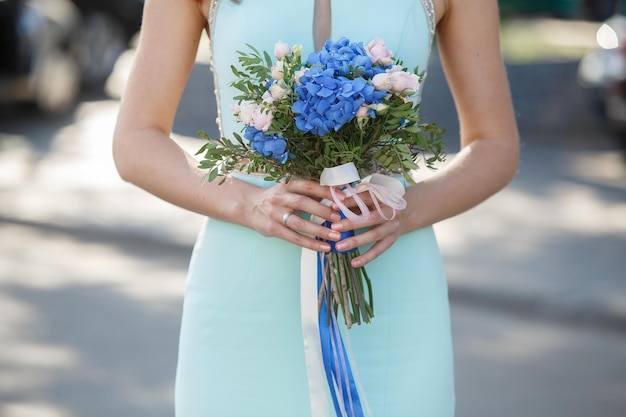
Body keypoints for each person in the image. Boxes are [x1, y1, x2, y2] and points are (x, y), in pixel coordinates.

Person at [112, 0, 519, 416]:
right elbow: (136, 140)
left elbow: (495, 145)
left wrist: (407, 210)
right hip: (242, 296)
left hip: (394, 294)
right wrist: (247, 203)